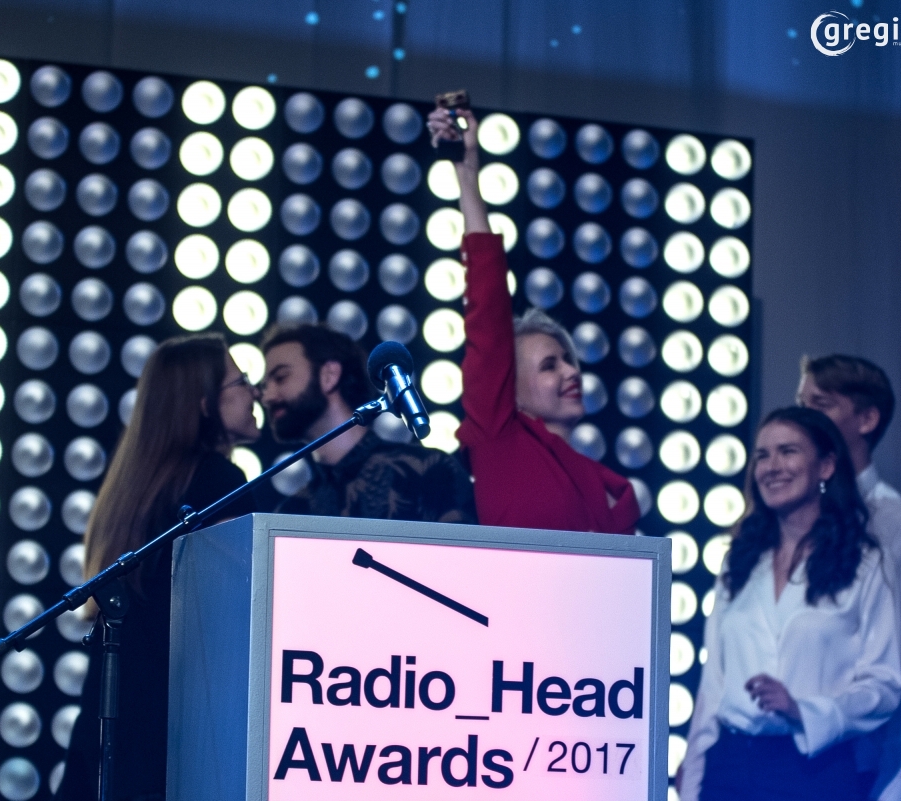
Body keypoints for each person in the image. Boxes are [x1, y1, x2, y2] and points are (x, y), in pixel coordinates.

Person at [59, 333, 261, 800]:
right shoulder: (218, 482)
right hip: (171, 720)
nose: (254, 392)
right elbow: (235, 610)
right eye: (240, 381)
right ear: (205, 403)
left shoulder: (135, 487)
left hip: (114, 708)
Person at [426, 106, 639, 534]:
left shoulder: (601, 482)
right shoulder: (499, 436)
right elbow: (488, 303)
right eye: (548, 365)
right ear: (511, 391)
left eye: (568, 360)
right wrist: (467, 172)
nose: (571, 371)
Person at [680, 407, 901, 801]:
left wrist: (804, 710)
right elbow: (713, 685)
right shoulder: (740, 559)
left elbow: (883, 685)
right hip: (730, 765)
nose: (771, 467)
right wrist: (694, 770)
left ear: (826, 466)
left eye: (787, 451)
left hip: (814, 772)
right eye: (762, 455)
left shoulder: (865, 564)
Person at [798, 355, 901, 801]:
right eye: (800, 404)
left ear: (867, 419)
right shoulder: (789, 514)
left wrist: (897, 784)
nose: (803, 417)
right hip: (774, 760)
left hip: (853, 768)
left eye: (820, 404)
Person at [259, 323, 475, 522]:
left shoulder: (429, 470)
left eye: (281, 377)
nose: (267, 397)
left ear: (329, 375)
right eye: (265, 385)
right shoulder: (293, 511)